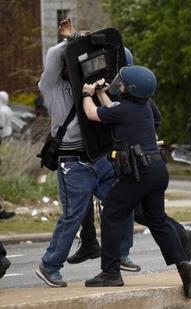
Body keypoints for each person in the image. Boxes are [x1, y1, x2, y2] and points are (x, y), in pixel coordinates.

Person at [67, 47, 191, 270]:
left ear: (132, 89)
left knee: (111, 213)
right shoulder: (143, 106)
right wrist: (101, 93)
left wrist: (87, 94)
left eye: (123, 83)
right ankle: (183, 266)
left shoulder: (125, 109)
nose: (119, 83)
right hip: (158, 169)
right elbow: (113, 109)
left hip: (140, 171)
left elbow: (92, 113)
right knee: (157, 220)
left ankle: (110, 273)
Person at [35, 18, 125, 288]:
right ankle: (49, 265)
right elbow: (53, 56)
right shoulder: (52, 88)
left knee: (120, 202)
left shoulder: (91, 86)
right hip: (71, 160)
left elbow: (121, 59)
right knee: (73, 215)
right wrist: (71, 41)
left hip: (97, 156)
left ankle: (120, 256)